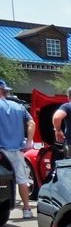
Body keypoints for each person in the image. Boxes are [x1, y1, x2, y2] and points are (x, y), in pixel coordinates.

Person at [0, 79, 35, 218]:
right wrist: (30, 141)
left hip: (1, 150)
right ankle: (26, 209)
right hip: (17, 150)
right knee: (22, 180)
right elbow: (31, 122)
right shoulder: (18, 107)